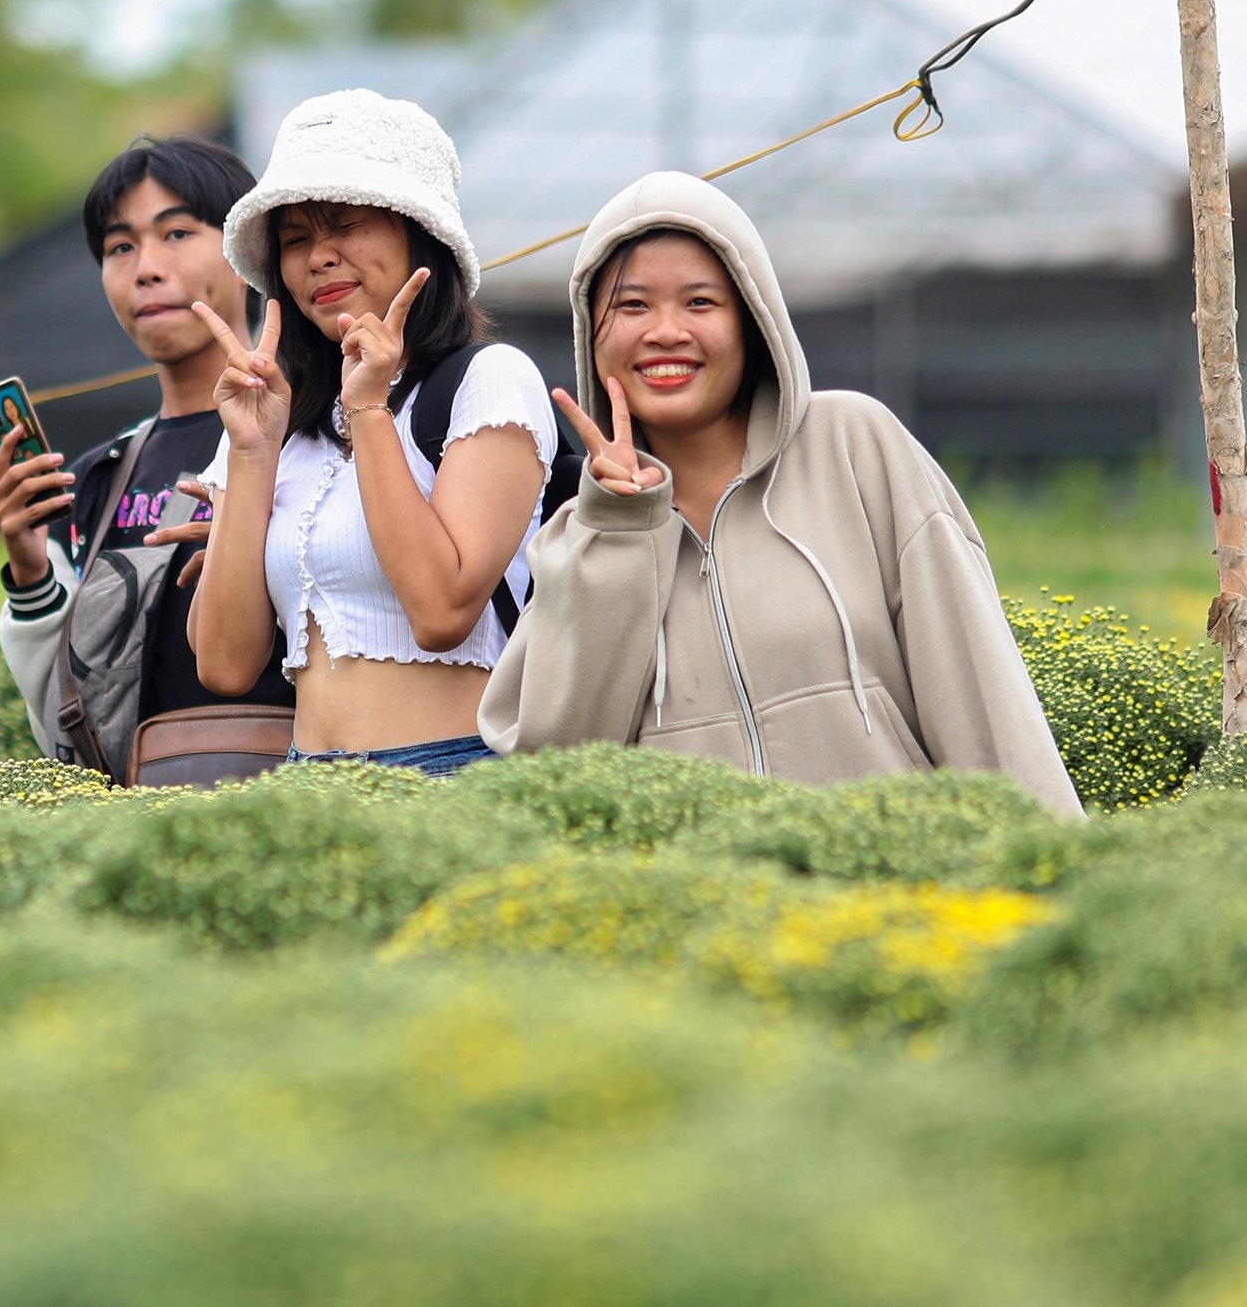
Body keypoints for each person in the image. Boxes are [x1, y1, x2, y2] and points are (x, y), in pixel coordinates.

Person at [479, 170, 1080, 815]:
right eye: (632, 306)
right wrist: (622, 530)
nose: (665, 332)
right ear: (591, 336)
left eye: (700, 302)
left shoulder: (854, 446)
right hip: (716, 909)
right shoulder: (580, 537)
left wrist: (1048, 861)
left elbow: (980, 688)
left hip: (906, 889)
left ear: (752, 321)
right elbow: (558, 773)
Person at [186, 89, 555, 775]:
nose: (318, 258)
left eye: (345, 223)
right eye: (294, 239)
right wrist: (250, 451)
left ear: (419, 232)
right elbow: (224, 662)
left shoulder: (490, 380)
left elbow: (442, 610)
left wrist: (370, 410)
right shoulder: (277, 411)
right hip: (304, 784)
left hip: (452, 774)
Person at [0, 135, 296, 764]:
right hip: (138, 817)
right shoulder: (94, 479)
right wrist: (28, 568)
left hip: (298, 794)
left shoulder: (314, 433)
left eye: (177, 234)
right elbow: (66, 718)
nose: (146, 268)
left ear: (247, 251)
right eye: (120, 247)